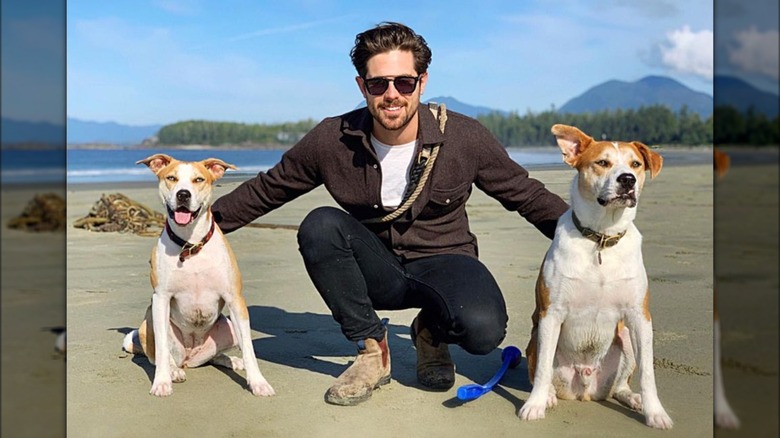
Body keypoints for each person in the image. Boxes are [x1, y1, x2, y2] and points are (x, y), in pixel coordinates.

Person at [211, 21, 569, 406]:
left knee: (484, 332)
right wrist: (191, 229)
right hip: (376, 268)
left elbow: (525, 195)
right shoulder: (331, 139)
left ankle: (431, 332)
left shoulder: (465, 137)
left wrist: (589, 236)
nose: (392, 95)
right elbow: (269, 188)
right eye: (378, 84)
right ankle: (372, 350)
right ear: (362, 86)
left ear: (423, 81)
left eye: (404, 82)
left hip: (446, 261)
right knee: (320, 225)